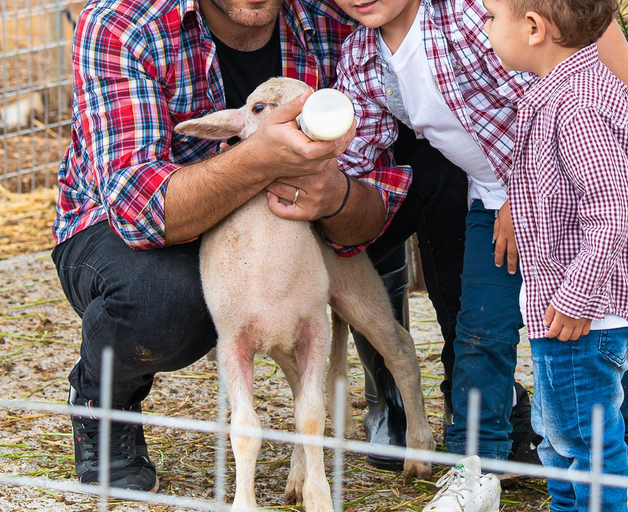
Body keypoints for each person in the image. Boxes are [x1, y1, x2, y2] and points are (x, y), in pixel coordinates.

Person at [53, 0, 471, 491]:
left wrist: (338, 198)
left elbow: (374, 170)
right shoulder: (124, 23)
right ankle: (106, 403)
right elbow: (139, 211)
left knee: (442, 162)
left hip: (294, 219)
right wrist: (259, 160)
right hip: (132, 227)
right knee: (167, 300)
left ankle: (477, 390)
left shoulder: (335, 18)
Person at [330, 0, 628, 510]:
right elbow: (360, 152)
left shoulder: (470, 16)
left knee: (599, 326)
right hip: (489, 199)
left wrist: (522, 190)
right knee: (479, 330)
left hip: (558, 200)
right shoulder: (361, 57)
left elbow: (542, 83)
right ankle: (478, 468)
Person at [483, 0, 628, 509]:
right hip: (569, 313)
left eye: (493, 16)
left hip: (582, 318)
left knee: (584, 444)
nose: (485, 26)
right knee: (560, 440)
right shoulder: (567, 92)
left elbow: (612, 209)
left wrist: (578, 296)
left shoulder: (577, 106)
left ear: (534, 28)